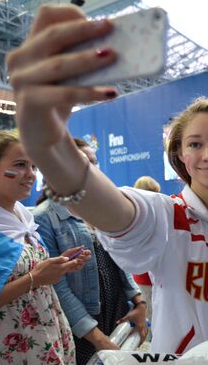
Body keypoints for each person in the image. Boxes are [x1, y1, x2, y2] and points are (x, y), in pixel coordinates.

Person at [7, 7, 208, 363]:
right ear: (180, 155)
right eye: (195, 144)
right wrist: (51, 143)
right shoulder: (168, 217)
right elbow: (117, 212)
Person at [33, 138, 147, 365]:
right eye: (84, 163)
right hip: (82, 327)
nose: (92, 171)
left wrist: (140, 303)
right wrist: (98, 338)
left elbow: (119, 259)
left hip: (117, 314)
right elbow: (57, 287)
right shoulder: (43, 217)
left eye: (94, 163)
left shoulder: (101, 209)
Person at [0, 130, 90, 364]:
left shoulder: (22, 217)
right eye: (19, 165)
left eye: (33, 166)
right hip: (13, 350)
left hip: (46, 338)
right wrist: (35, 278)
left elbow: (30, 272)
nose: (30, 174)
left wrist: (60, 266)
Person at [131, 175, 161, 339]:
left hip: (149, 276)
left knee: (155, 316)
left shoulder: (135, 214)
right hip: (146, 277)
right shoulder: (140, 216)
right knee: (154, 318)